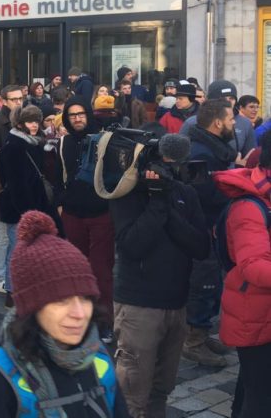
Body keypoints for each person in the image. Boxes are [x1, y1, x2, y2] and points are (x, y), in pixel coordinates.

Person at [0, 210, 130, 418]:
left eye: (85, 299)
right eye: (62, 301)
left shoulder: (97, 351)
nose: (80, 314)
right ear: (32, 308)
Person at [109, 134, 210, 418]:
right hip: (139, 306)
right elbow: (132, 245)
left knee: (160, 390)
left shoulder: (184, 193)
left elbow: (200, 246)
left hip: (176, 305)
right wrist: (156, 201)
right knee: (133, 395)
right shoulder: (128, 192)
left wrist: (166, 198)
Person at [213, 132, 271, 417]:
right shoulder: (250, 207)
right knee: (261, 398)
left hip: (263, 312)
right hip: (255, 316)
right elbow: (254, 266)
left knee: (251, 387)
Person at [182, 99, 238, 367]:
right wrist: (236, 186)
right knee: (204, 283)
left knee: (212, 282)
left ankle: (201, 335)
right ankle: (193, 340)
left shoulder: (212, 147)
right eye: (230, 118)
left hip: (213, 225)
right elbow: (203, 193)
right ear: (217, 122)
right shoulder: (201, 152)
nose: (234, 123)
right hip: (203, 228)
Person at [57, 96, 115, 338]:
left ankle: (103, 322)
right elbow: (60, 176)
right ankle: (80, 318)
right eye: (72, 115)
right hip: (73, 213)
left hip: (101, 213)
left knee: (101, 271)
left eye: (81, 114)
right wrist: (60, 204)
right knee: (76, 268)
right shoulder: (64, 143)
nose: (77, 118)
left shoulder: (105, 139)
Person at [0, 105, 53, 306]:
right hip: (19, 207)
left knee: (27, 249)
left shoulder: (34, 143)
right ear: (20, 124)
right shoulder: (14, 146)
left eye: (37, 121)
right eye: (30, 121)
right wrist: (27, 212)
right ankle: (12, 292)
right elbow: (15, 184)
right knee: (18, 249)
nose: (34, 125)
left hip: (33, 203)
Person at [0, 86, 25, 293]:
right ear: (4, 102)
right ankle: (0, 276)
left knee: (18, 234)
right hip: (3, 190)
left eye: (21, 98)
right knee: (3, 234)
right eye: (14, 99)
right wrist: (0, 191)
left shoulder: (25, 122)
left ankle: (14, 274)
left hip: (22, 188)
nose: (19, 102)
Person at [181, 80, 256, 158]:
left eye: (231, 98)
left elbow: (250, 156)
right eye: (223, 99)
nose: (228, 102)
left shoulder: (245, 124)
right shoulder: (192, 122)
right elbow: (180, 154)